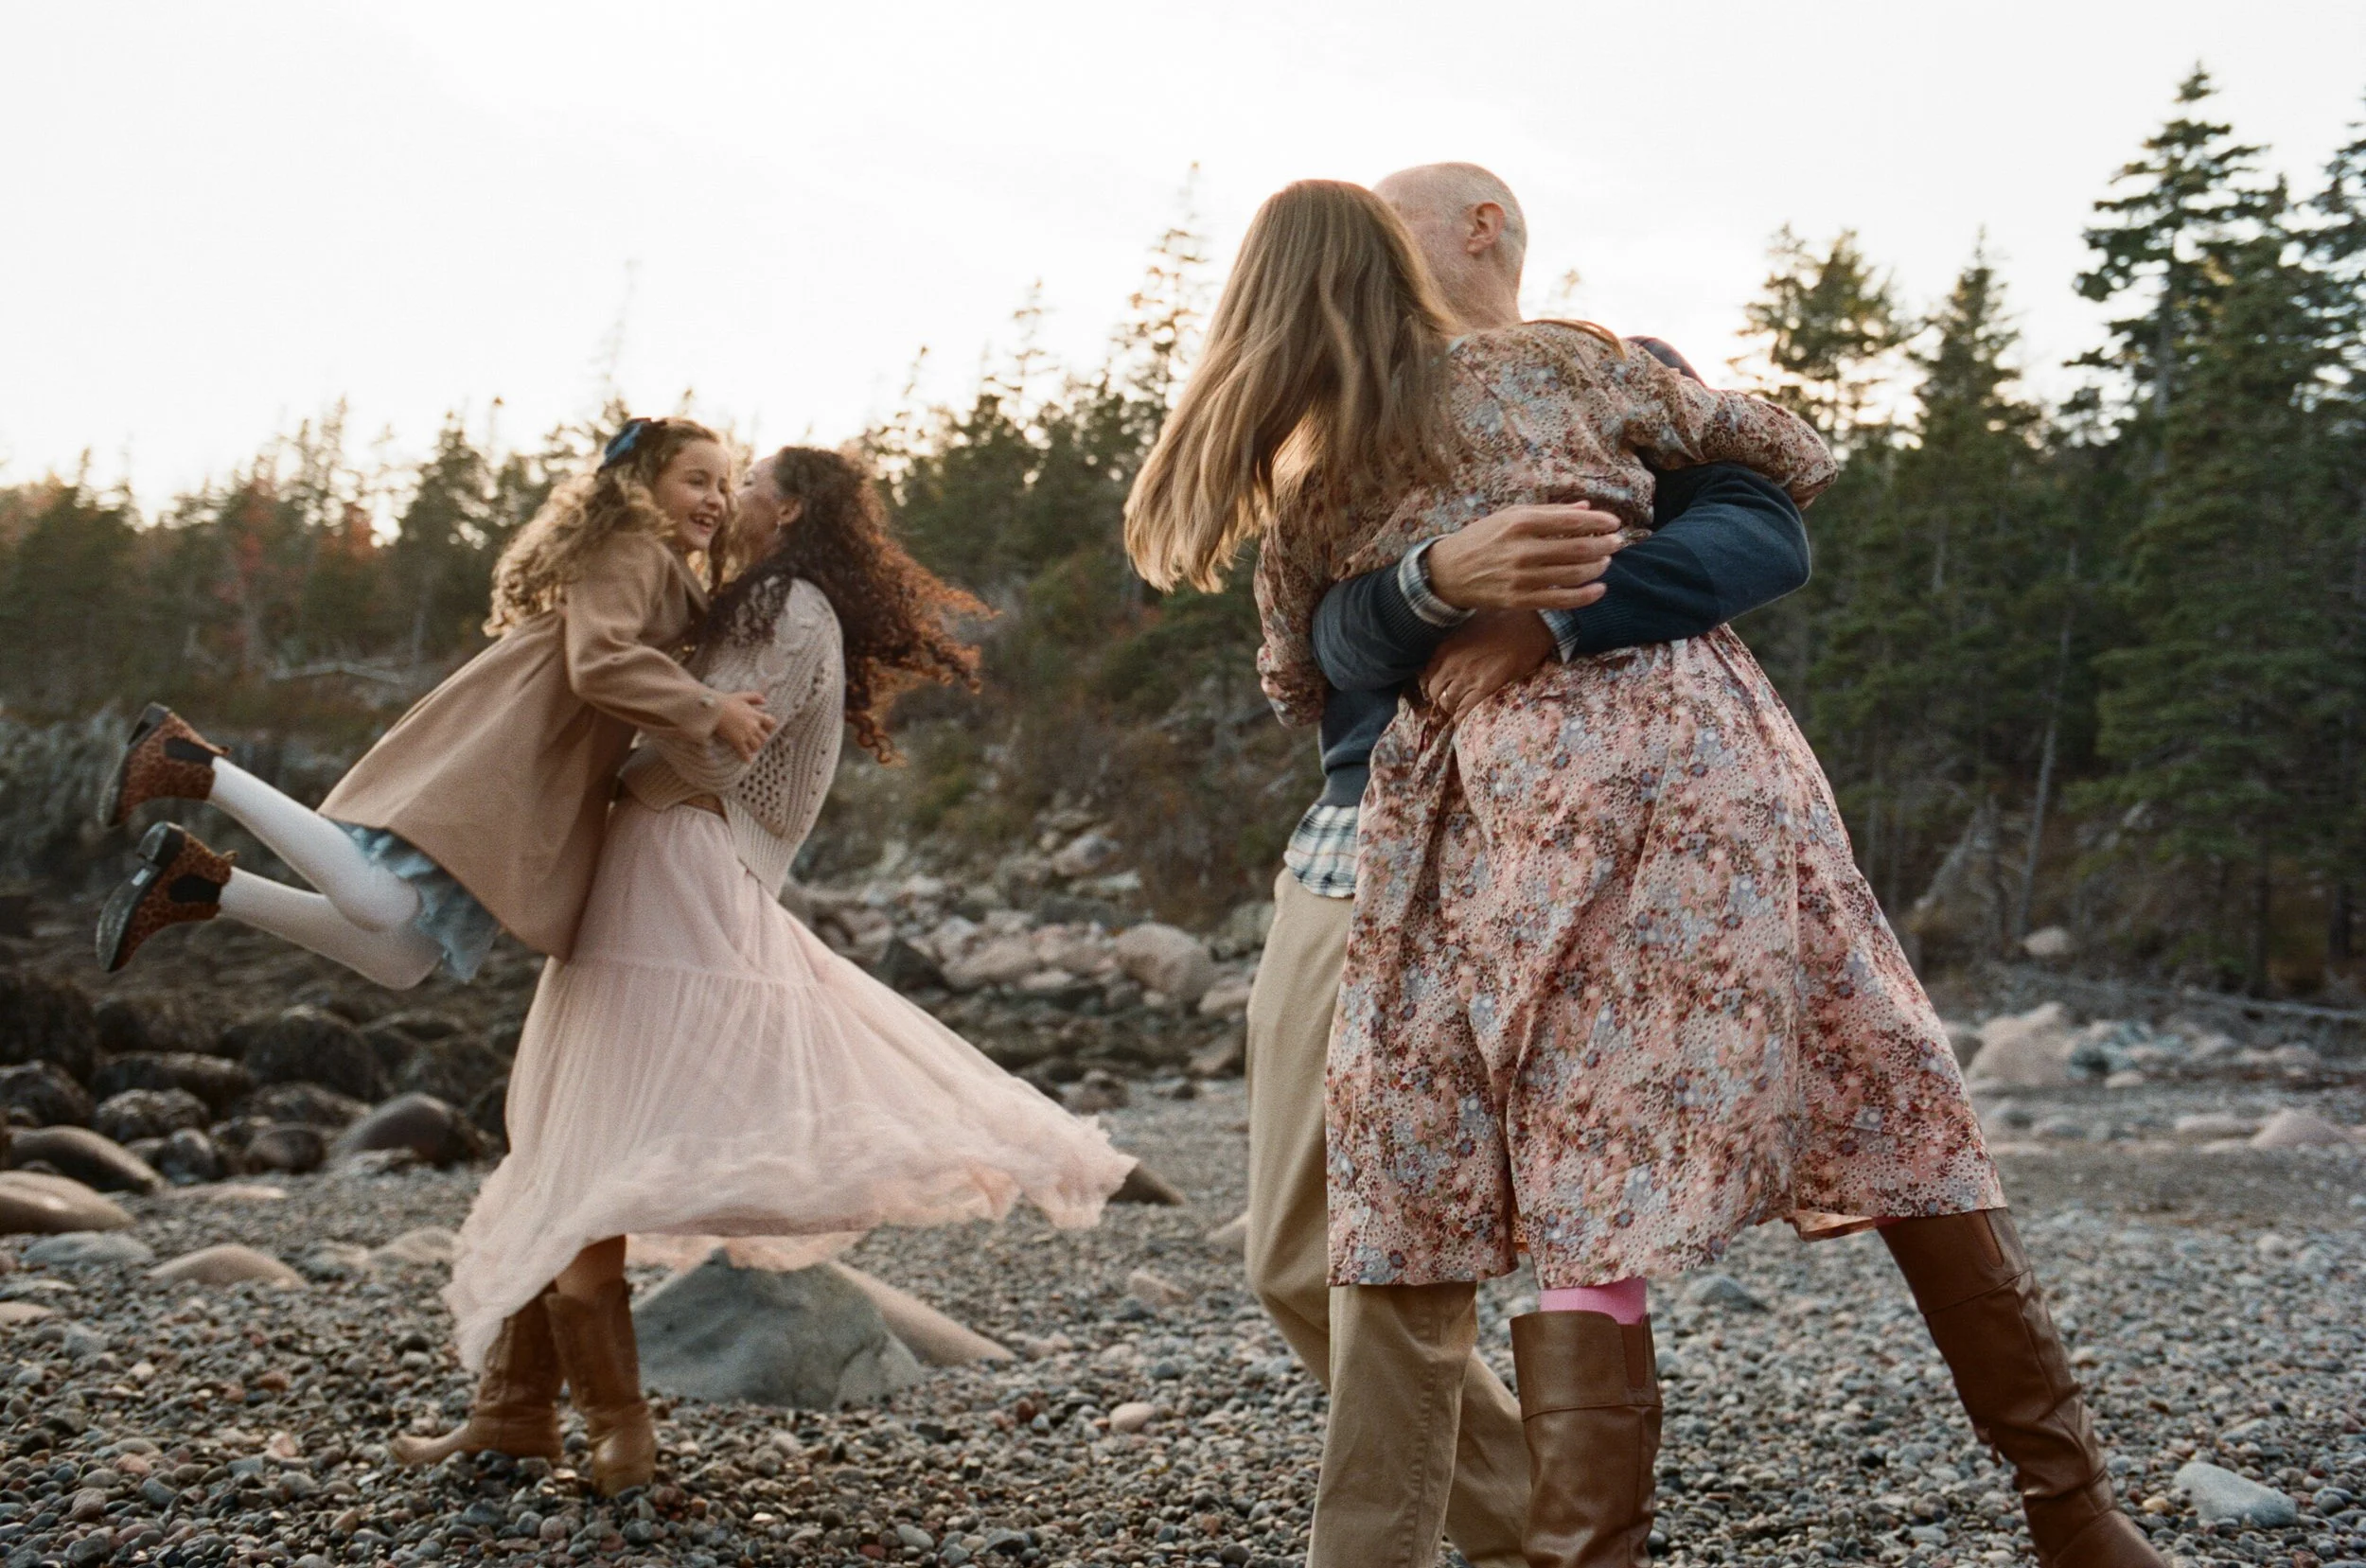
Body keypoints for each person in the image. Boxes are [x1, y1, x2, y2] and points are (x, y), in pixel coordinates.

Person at [1130, 173, 2161, 1568]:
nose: (1382, 247)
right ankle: (1544, 1527)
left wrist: (1558, 622)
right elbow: (1332, 656)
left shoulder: (1605, 359)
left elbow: (1767, 529)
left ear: (1479, 226)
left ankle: (2053, 1512)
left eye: (1402, 216)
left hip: (1569, 826)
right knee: (1361, 1238)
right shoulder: (1365, 440)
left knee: (1588, 1179)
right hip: (1397, 845)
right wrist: (1441, 576)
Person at [409, 446, 1137, 1495]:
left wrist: (588, 747)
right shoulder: (771, 600)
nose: (729, 494)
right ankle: (516, 1413)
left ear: (787, 507)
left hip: (671, 860)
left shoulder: (783, 604)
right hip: (667, 862)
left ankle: (616, 1438)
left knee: (593, 1134)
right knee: (571, 1132)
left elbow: (716, 749)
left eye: (745, 481)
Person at [94, 416, 777, 986]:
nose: (717, 497)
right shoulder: (632, 548)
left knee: (400, 959)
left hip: (540, 771)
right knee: (376, 898)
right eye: (697, 479)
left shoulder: (663, 565)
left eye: (724, 483)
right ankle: (188, 761)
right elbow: (601, 661)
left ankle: (198, 884)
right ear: (643, 485)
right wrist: (710, 708)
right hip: (508, 748)